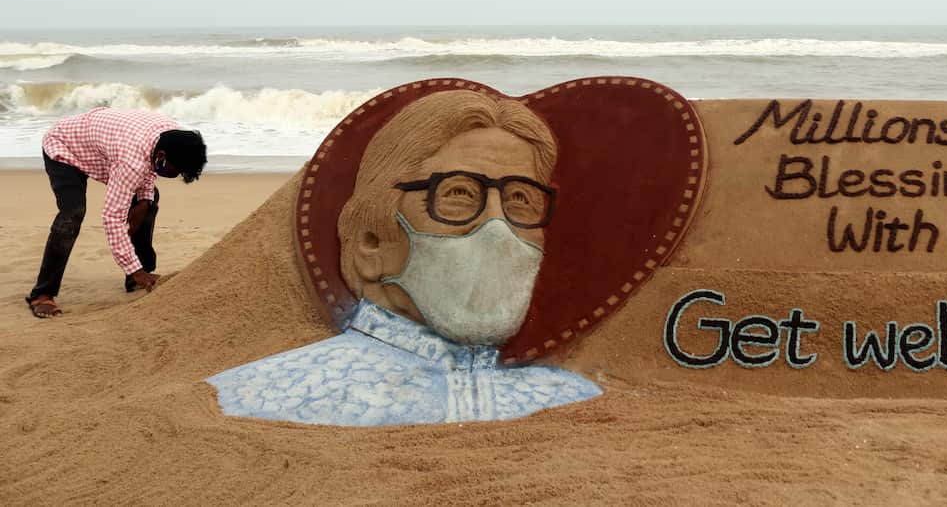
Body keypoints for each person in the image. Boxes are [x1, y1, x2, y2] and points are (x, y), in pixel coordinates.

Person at [208, 90, 601, 426]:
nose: (498, 227)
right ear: (371, 243)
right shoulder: (264, 396)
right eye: (459, 193)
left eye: (520, 199)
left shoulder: (571, 399)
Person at [25, 108, 207, 318]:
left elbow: (150, 166)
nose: (166, 175)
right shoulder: (131, 162)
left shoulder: (172, 136)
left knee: (148, 202)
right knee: (72, 213)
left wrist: (144, 199)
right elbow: (112, 218)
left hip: (103, 150)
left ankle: (139, 276)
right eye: (168, 172)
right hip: (64, 146)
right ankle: (42, 293)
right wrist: (133, 267)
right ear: (162, 156)